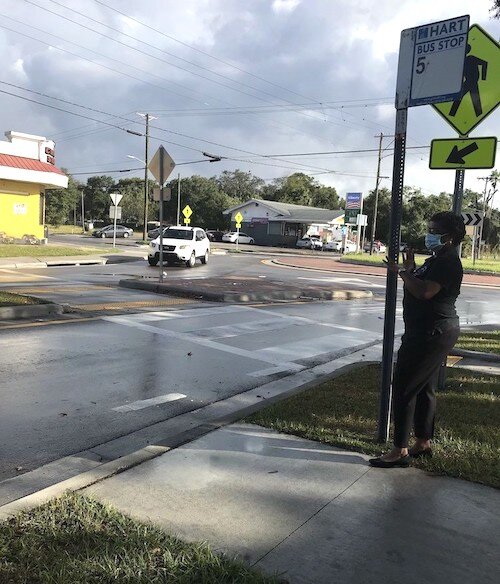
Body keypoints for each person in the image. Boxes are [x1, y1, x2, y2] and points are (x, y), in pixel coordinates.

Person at [370, 211, 466, 468]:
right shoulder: (436, 259)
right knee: (424, 388)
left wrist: (403, 273)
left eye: (435, 231)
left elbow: (425, 292)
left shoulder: (447, 262)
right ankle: (423, 443)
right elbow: (418, 284)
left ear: (450, 238)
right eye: (430, 228)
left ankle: (399, 450)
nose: (429, 235)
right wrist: (409, 270)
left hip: (430, 333)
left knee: (404, 387)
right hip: (429, 331)